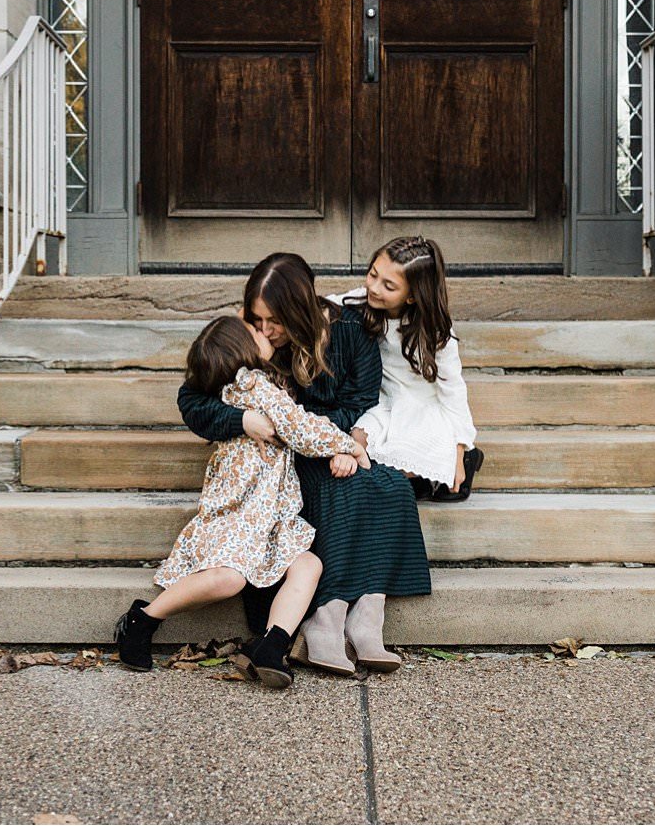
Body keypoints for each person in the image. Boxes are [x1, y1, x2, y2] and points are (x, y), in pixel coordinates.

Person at [178, 253, 431, 676]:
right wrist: (242, 419)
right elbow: (192, 400)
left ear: (299, 311)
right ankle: (322, 621)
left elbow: (360, 402)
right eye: (256, 320)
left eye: (274, 321)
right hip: (275, 462)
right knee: (337, 489)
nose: (266, 331)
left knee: (390, 486)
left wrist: (336, 442)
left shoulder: (352, 329)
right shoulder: (247, 340)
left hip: (329, 443)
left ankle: (367, 619)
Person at [114, 315, 365, 689]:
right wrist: (349, 445)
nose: (264, 331)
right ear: (241, 352)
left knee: (308, 565)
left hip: (268, 517)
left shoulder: (254, 385)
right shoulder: (252, 385)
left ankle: (271, 644)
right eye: (254, 331)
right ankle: (142, 619)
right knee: (228, 579)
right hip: (240, 513)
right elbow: (301, 429)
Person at [331, 236, 484, 502]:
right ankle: (420, 480)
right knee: (357, 444)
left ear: (413, 295)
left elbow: (453, 391)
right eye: (372, 275)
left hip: (421, 406)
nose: (374, 288)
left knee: (408, 455)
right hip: (381, 403)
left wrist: (459, 451)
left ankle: (463, 461)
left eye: (388, 285)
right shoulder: (359, 300)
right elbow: (315, 306)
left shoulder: (436, 331)